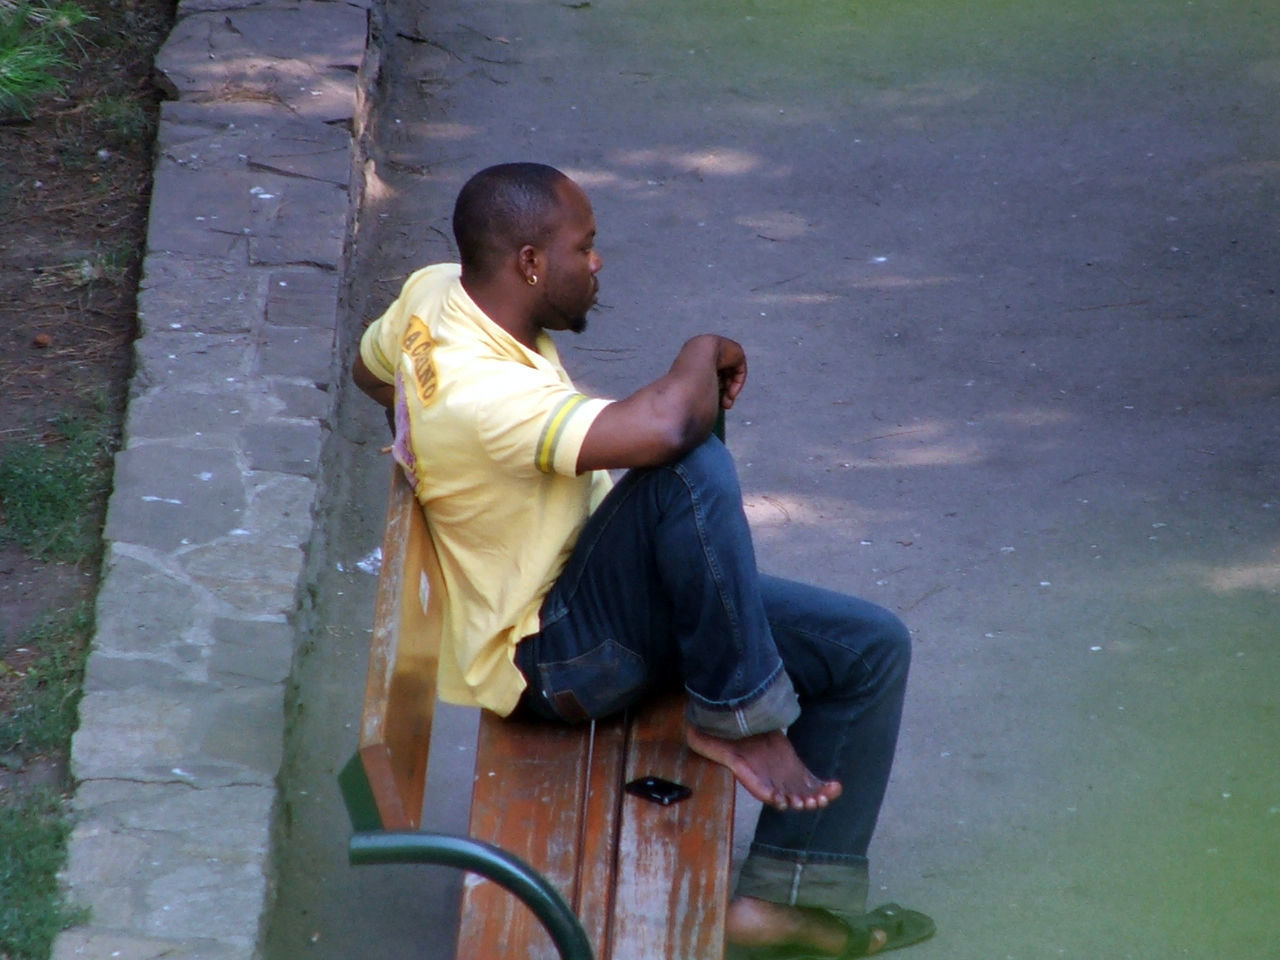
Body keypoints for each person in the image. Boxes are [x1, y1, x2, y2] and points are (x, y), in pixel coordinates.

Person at [353, 162, 934, 959]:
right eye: (583, 248)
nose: (596, 265)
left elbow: (372, 369)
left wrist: (450, 468)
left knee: (870, 647)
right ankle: (736, 716)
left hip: (594, 596)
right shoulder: (482, 396)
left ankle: (781, 901)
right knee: (688, 469)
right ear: (529, 263)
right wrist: (704, 346)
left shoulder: (435, 294)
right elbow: (663, 433)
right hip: (554, 658)